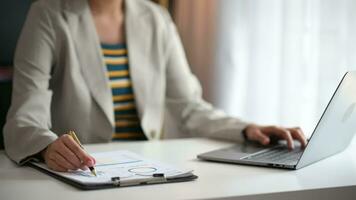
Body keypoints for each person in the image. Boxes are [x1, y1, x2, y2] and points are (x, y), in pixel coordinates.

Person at [3, 0, 307, 172]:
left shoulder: (156, 18)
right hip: (82, 174)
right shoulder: (49, 14)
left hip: (145, 173)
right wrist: (46, 146)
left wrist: (247, 130)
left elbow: (189, 107)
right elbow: (24, 117)